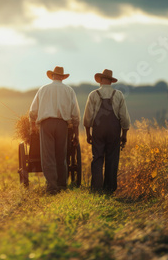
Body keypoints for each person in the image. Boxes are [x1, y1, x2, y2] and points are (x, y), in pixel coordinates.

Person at [29, 66, 80, 194]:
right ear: (62, 77)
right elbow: (75, 113)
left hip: (46, 124)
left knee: (48, 156)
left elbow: (33, 110)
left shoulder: (43, 89)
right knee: (61, 155)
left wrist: (32, 125)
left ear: (52, 76)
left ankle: (52, 186)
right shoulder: (69, 90)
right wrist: (76, 132)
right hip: (63, 124)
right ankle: (62, 185)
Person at [83, 69, 131, 194]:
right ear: (110, 81)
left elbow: (88, 116)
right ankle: (109, 188)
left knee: (97, 157)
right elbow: (124, 117)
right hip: (114, 130)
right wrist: (124, 134)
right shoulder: (118, 94)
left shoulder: (93, 94)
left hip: (98, 129)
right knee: (112, 158)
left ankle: (97, 188)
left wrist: (88, 133)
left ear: (100, 80)